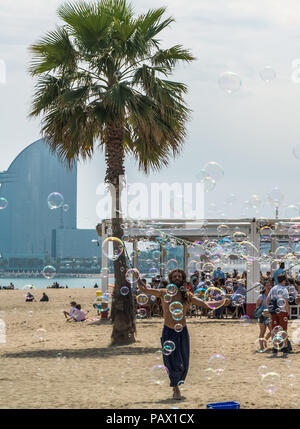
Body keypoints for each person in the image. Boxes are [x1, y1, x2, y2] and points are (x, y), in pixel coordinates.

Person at [137, 268, 214, 400]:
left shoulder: (187, 295)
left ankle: (178, 383)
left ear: (183, 279)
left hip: (182, 330)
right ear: (171, 279)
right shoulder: (163, 292)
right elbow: (145, 291)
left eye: (179, 276)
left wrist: (219, 303)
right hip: (168, 330)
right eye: (174, 276)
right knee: (172, 361)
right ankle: (175, 388)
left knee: (184, 361)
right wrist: (138, 279)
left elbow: (202, 303)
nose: (177, 278)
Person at [266, 274, 290, 357]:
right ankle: (285, 348)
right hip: (282, 311)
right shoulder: (284, 289)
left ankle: (275, 348)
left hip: (273, 312)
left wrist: (269, 309)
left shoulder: (273, 288)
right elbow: (286, 302)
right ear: (283, 281)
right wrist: (288, 312)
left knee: (274, 329)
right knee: (284, 329)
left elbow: (267, 300)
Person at [255, 279, 272, 352]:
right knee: (262, 331)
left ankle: (265, 340)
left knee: (272, 330)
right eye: (267, 285)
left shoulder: (272, 295)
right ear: (264, 287)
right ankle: (261, 347)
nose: (269, 286)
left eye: (270, 285)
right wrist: (263, 311)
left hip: (270, 315)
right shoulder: (261, 296)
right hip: (262, 315)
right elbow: (257, 307)